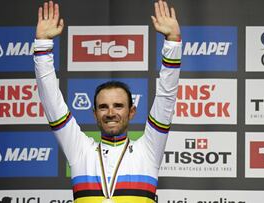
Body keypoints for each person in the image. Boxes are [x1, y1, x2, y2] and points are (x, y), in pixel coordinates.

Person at [33, 0, 181, 202]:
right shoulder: (81, 152)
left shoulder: (148, 151)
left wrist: (172, 42)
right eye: (103, 107)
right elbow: (52, 102)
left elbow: (166, 97)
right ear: (95, 114)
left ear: (132, 112)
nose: (110, 113)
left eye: (118, 106)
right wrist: (43, 44)